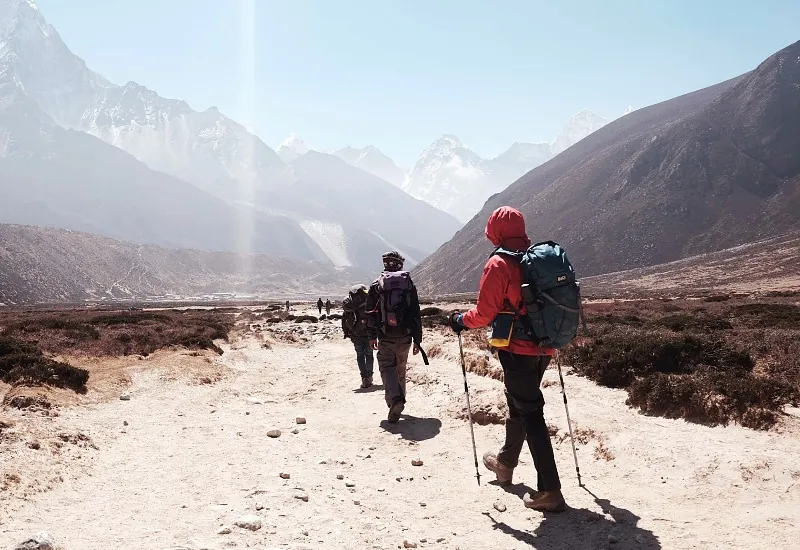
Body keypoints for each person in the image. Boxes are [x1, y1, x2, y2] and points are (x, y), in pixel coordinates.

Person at [449, 206, 565, 513]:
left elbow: (484, 313)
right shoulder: (536, 260)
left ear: (495, 231)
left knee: (530, 412)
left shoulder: (499, 263)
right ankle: (505, 464)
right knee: (520, 404)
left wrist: (460, 320)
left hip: (517, 348)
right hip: (545, 346)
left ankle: (549, 490)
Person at [365, 251, 423, 423]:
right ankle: (400, 400)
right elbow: (415, 313)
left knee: (387, 368)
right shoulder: (408, 284)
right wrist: (417, 340)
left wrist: (371, 336)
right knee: (400, 369)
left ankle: (395, 400)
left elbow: (370, 313)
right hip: (405, 336)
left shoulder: (377, 285)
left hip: (385, 335)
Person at [342, 284, 374, 388]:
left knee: (360, 356)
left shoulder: (350, 304)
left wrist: (346, 333)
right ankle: (369, 377)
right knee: (369, 355)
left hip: (355, 334)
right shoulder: (368, 301)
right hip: (369, 334)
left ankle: (364, 378)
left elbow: (344, 320)